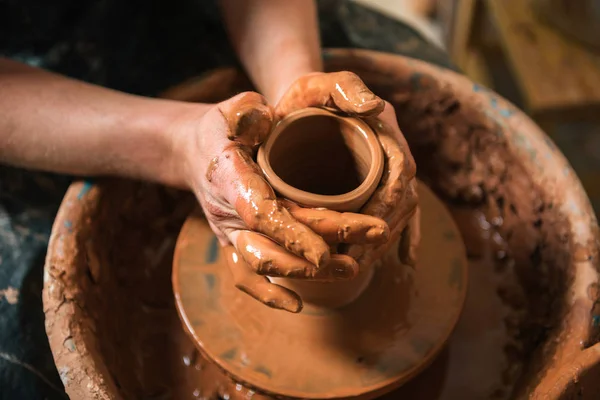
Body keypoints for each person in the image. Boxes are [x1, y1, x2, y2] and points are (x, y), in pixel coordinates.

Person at [0, 0, 451, 398]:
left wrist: (296, 93)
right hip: (38, 97)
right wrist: (176, 145)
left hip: (195, 14)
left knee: (423, 61)